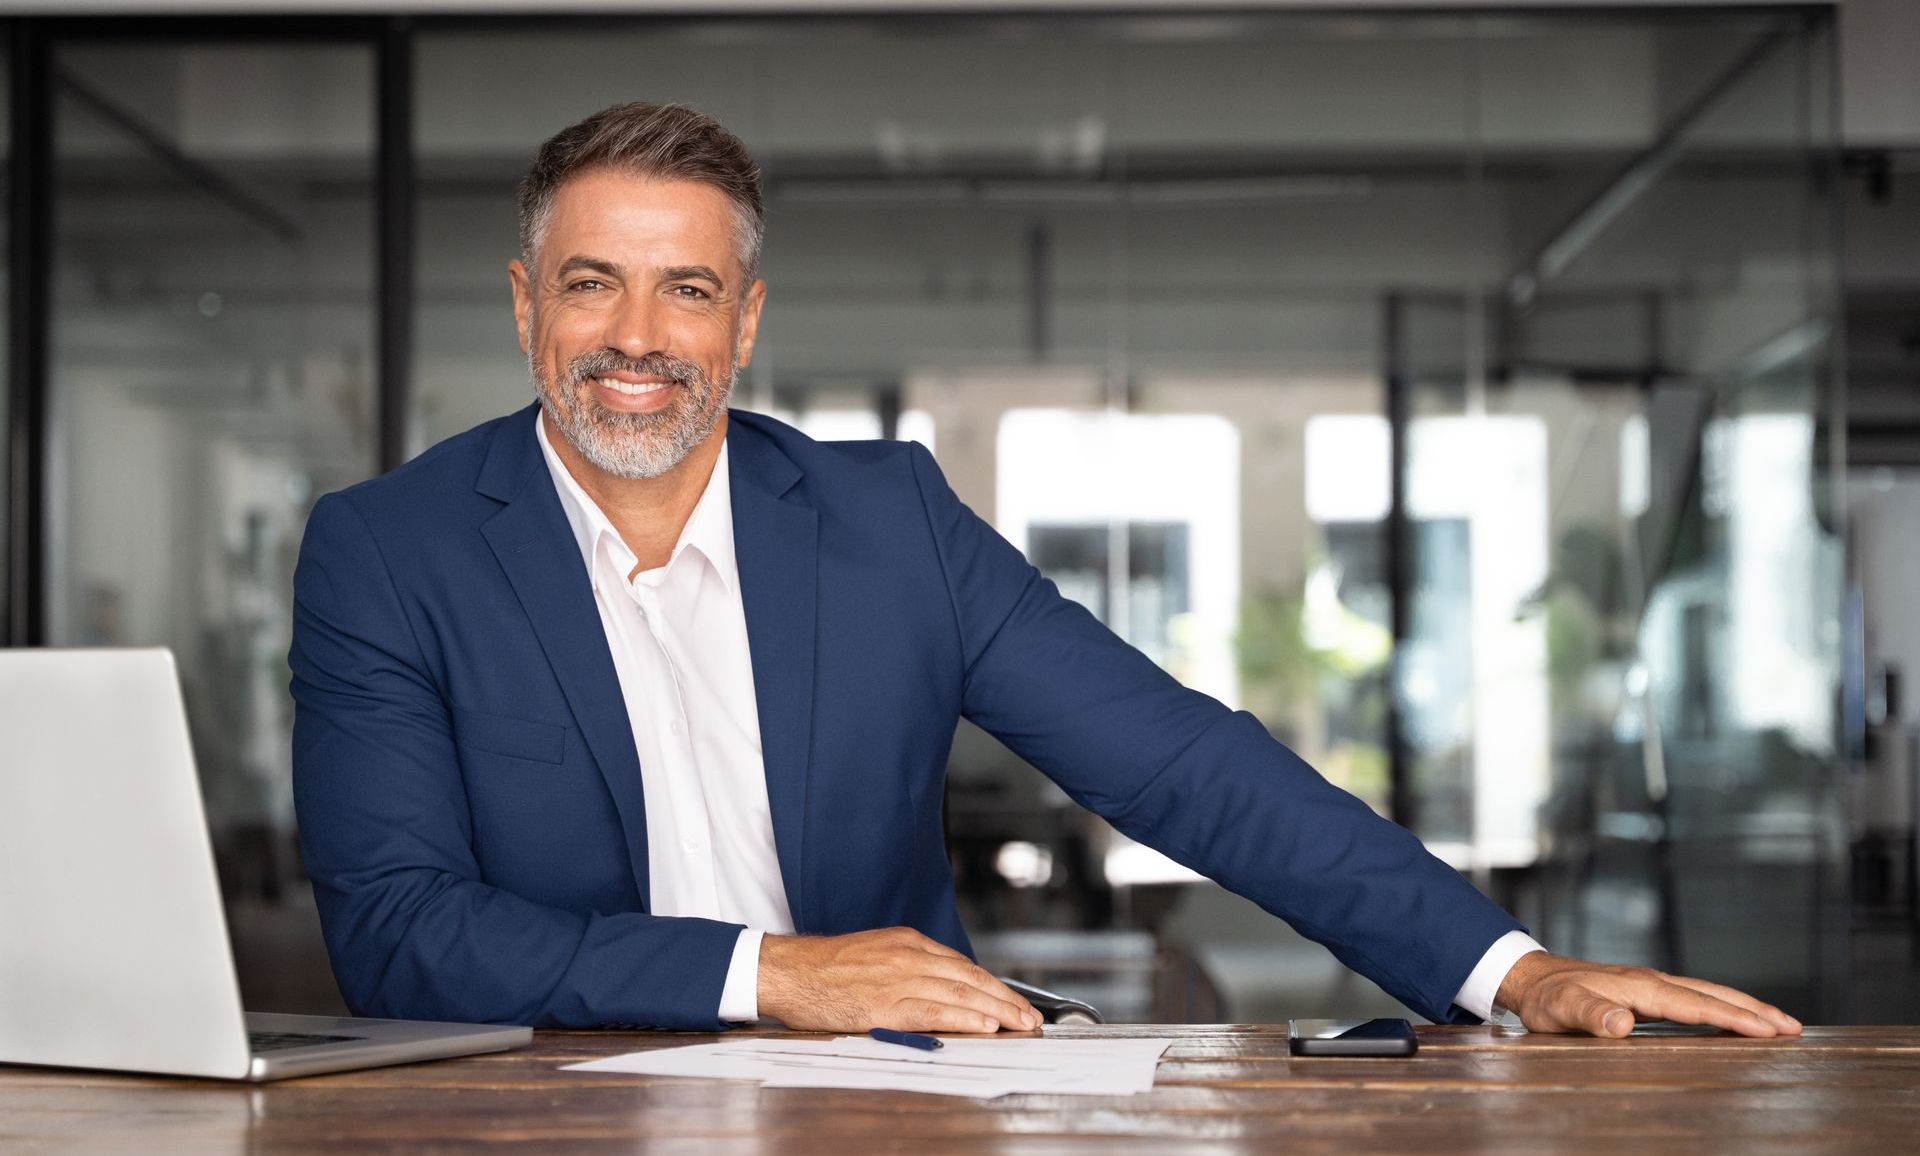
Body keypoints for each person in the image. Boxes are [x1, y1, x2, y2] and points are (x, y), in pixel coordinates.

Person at [290, 102, 1801, 1041]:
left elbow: (1185, 767)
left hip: (891, 1100)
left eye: (685, 288)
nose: (637, 335)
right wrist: (772, 975)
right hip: (553, 1108)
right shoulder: (389, 553)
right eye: (590, 283)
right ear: (523, 306)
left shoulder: (887, 521)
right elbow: (401, 932)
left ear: (742, 323)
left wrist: (1509, 969)